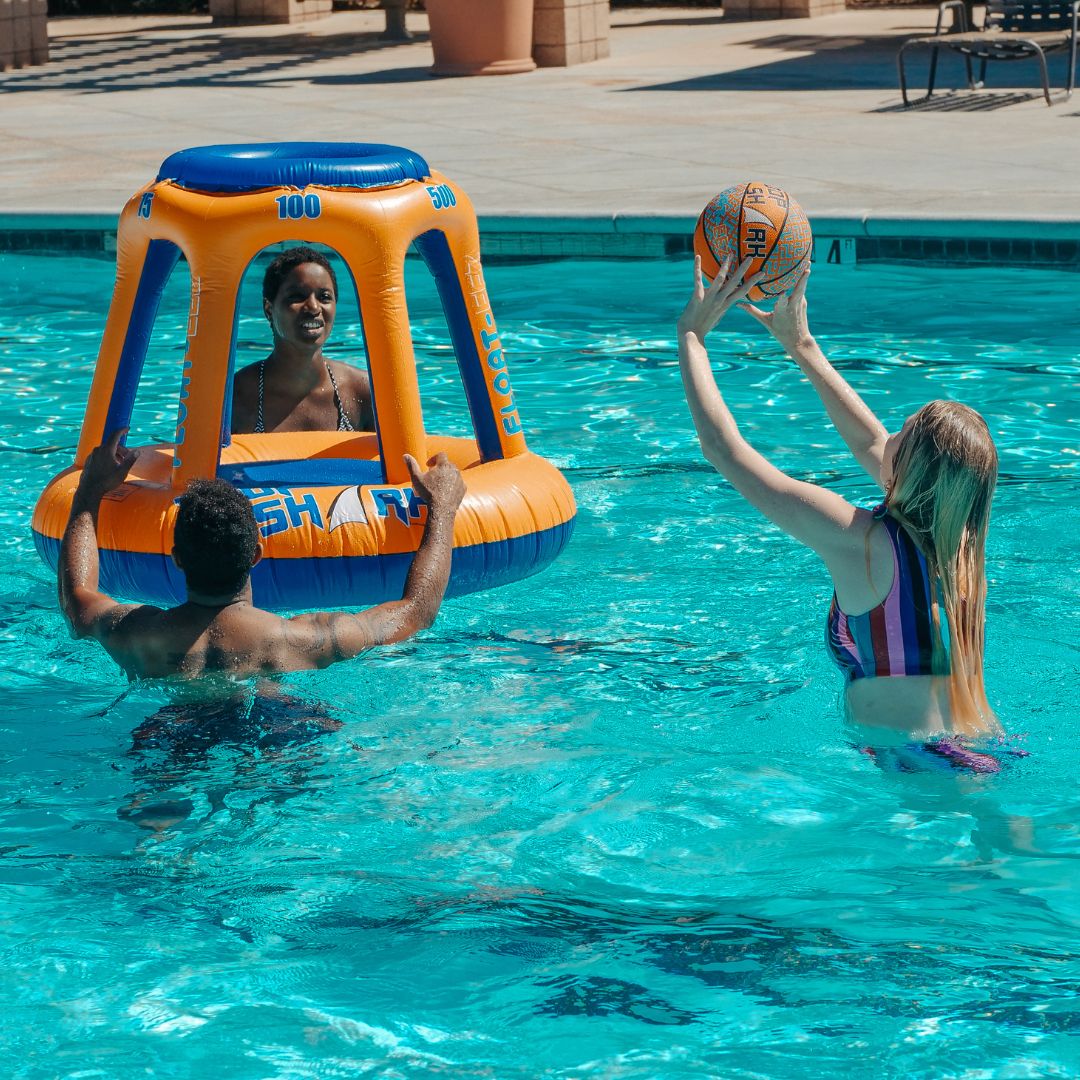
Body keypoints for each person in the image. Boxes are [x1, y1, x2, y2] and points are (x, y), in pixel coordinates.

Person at [677, 255, 1001, 756]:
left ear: (910, 469)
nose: (886, 435)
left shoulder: (863, 544)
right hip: (980, 749)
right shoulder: (960, 543)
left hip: (920, 764)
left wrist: (692, 338)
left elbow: (723, 449)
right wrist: (800, 344)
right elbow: (872, 444)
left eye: (901, 432)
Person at [58, 428, 465, 680]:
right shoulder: (297, 639)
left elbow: (78, 599)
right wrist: (442, 509)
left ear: (177, 557)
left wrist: (90, 493)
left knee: (155, 811)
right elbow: (416, 611)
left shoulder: (136, 632)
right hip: (274, 733)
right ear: (256, 555)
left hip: (172, 734)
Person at [231, 246, 375, 435]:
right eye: (297, 296)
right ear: (268, 309)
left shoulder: (362, 391)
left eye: (324, 297)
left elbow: (400, 457)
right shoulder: (237, 397)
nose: (314, 307)